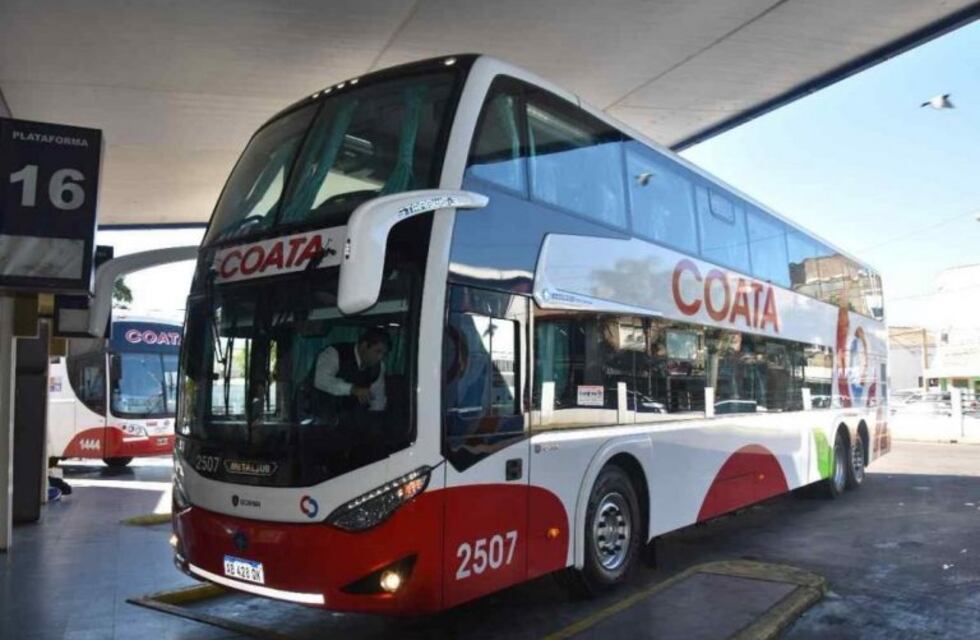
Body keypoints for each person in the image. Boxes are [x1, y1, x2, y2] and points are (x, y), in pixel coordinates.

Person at [313, 328, 390, 416]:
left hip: (352, 420)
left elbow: (378, 399)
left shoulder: (378, 367)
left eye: (384, 354)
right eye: (377, 351)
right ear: (364, 346)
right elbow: (320, 379)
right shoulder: (334, 353)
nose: (380, 357)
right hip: (320, 417)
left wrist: (375, 420)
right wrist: (352, 389)